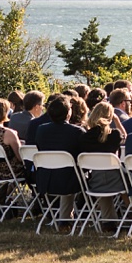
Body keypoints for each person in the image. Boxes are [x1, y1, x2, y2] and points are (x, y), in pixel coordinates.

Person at [33, 95, 86, 227]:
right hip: (69, 180)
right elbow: (83, 155)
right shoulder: (77, 131)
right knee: (74, 171)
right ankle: (68, 217)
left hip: (45, 178)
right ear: (69, 113)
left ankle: (65, 216)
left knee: (68, 170)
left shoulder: (41, 129)